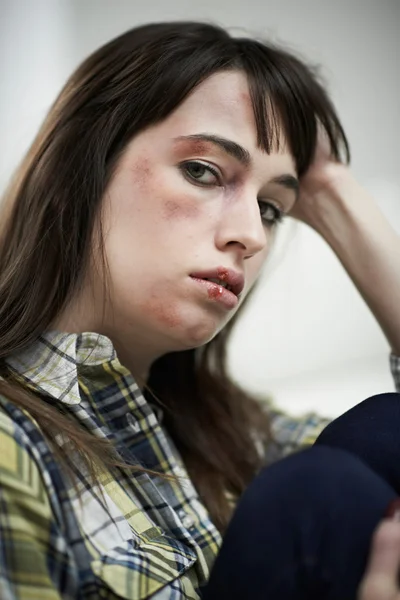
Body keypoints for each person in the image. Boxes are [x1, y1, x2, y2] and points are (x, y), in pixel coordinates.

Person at [0, 20, 399, 600]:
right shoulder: (13, 448)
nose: (250, 236)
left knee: (384, 429)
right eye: (202, 171)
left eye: (271, 208)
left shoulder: (237, 432)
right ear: (79, 166)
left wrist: (336, 194)